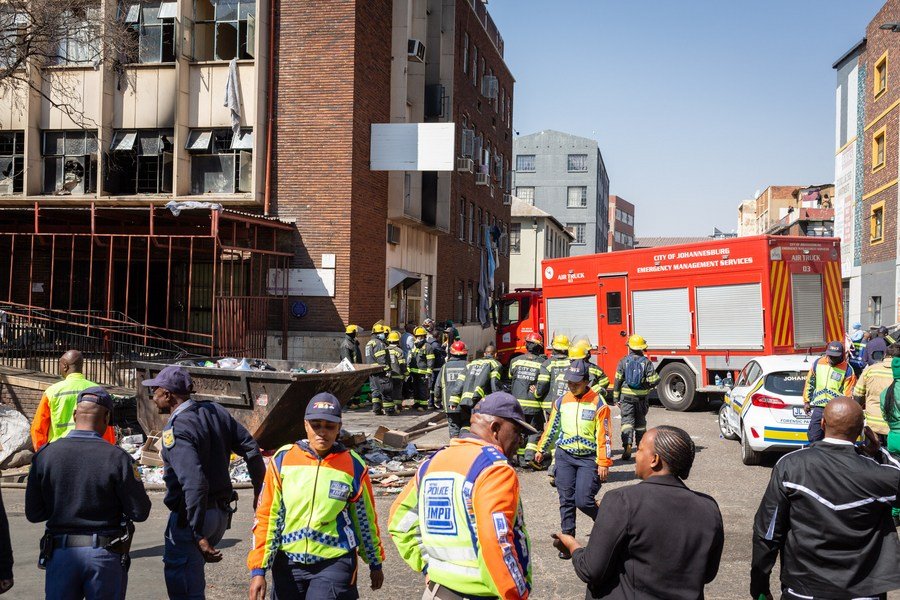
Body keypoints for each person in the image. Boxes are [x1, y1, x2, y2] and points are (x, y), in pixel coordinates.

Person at [388, 392, 534, 600]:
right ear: (495, 428)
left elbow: (399, 521)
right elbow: (496, 540)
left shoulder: (432, 462)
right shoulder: (494, 469)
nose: (520, 441)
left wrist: (429, 566)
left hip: (437, 592)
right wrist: (516, 594)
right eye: (517, 432)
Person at [751, 397, 900, 600]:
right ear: (860, 432)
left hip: (803, 590)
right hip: (864, 592)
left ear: (822, 424)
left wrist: (759, 587)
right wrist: (880, 452)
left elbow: (767, 532)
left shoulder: (790, 466)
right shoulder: (879, 474)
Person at [553, 426, 724, 599]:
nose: (636, 456)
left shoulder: (621, 500)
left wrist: (572, 546)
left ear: (654, 460)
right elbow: (708, 573)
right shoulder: (709, 507)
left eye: (640, 450)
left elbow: (590, 570)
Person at [143, 365, 266, 600]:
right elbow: (251, 447)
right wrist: (259, 493)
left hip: (194, 518)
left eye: (156, 390)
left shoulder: (178, 429)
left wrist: (197, 533)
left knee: (185, 590)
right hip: (219, 515)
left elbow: (195, 483)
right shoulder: (214, 411)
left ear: (168, 395)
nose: (153, 396)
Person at [248, 393, 385, 600]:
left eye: (329, 426)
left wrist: (375, 562)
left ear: (339, 427)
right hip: (288, 563)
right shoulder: (283, 459)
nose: (322, 432)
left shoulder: (354, 465)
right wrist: (258, 569)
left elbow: (364, 519)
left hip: (334, 562)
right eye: (316, 425)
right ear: (305, 425)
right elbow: (268, 516)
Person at [25, 387, 151, 599]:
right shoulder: (118, 458)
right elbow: (140, 511)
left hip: (60, 555)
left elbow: (34, 513)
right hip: (104, 557)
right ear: (107, 417)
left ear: (75, 415)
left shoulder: (45, 456)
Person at [536, 361, 612, 559]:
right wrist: (541, 448)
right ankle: (568, 542)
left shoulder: (598, 403)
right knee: (566, 499)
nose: (572, 386)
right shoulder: (561, 401)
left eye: (576, 383)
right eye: (569, 382)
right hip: (565, 456)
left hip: (588, 459)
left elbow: (604, 435)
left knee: (584, 500)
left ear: (587, 381)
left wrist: (603, 462)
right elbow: (552, 427)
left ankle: (610, 527)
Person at [30, 349, 116, 450]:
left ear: (65, 366)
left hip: (58, 450)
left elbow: (38, 428)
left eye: (60, 365)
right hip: (91, 449)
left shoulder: (52, 391)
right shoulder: (98, 390)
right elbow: (107, 427)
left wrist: (42, 453)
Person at [613, 335, 660, 460]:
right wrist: (647, 385)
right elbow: (654, 380)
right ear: (642, 348)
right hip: (641, 398)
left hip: (626, 397)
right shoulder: (646, 362)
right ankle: (640, 448)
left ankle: (627, 444)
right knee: (640, 424)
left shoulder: (623, 361)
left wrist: (616, 398)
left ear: (630, 347)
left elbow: (617, 380)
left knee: (627, 422)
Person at [508, 332, 551, 467]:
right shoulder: (543, 363)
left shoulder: (515, 361)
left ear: (526, 345)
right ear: (539, 347)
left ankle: (520, 458)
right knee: (535, 431)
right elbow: (544, 384)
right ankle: (528, 458)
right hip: (534, 405)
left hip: (516, 406)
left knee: (520, 431)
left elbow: (510, 376)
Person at [803, 340, 856, 443]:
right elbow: (810, 382)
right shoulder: (818, 363)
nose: (832, 359)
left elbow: (849, 395)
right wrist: (806, 401)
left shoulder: (848, 370)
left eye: (835, 357)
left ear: (841, 355)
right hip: (819, 408)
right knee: (814, 437)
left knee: (835, 439)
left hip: (837, 410)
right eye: (830, 356)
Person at [853, 342, 898, 442]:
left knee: (871, 456)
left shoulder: (870, 370)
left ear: (885, 355)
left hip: (872, 427)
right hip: (894, 428)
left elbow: (858, 395)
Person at [879, 357, 900, 524]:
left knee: (896, 479)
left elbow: (885, 417)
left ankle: (894, 512)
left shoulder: (886, 393)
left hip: (893, 439)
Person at [434, 340, 470, 438]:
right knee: (466, 425)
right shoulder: (469, 366)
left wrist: (437, 400)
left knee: (454, 427)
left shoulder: (445, 367)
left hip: (450, 405)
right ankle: (464, 444)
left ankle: (454, 447)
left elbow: (438, 385)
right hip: (465, 404)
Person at [365, 324, 392, 416]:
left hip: (372, 371)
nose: (383, 334)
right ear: (377, 334)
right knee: (385, 389)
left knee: (375, 390)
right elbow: (381, 358)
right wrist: (387, 369)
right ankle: (389, 410)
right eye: (381, 333)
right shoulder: (379, 343)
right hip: (380, 371)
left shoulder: (369, 343)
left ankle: (376, 409)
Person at [407, 326, 436, 412]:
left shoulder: (427, 347)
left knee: (422, 389)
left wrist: (429, 372)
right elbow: (410, 357)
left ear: (424, 336)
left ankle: (423, 405)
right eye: (418, 336)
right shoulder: (415, 346)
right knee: (415, 388)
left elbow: (430, 359)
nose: (419, 338)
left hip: (423, 373)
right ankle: (417, 403)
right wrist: (408, 368)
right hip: (414, 372)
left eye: (421, 336)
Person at [386, 330, 408, 415]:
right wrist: (406, 373)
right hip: (398, 375)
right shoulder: (399, 351)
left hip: (388, 375)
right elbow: (402, 364)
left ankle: (389, 408)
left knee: (389, 391)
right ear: (398, 340)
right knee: (397, 391)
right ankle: (397, 407)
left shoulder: (385, 349)